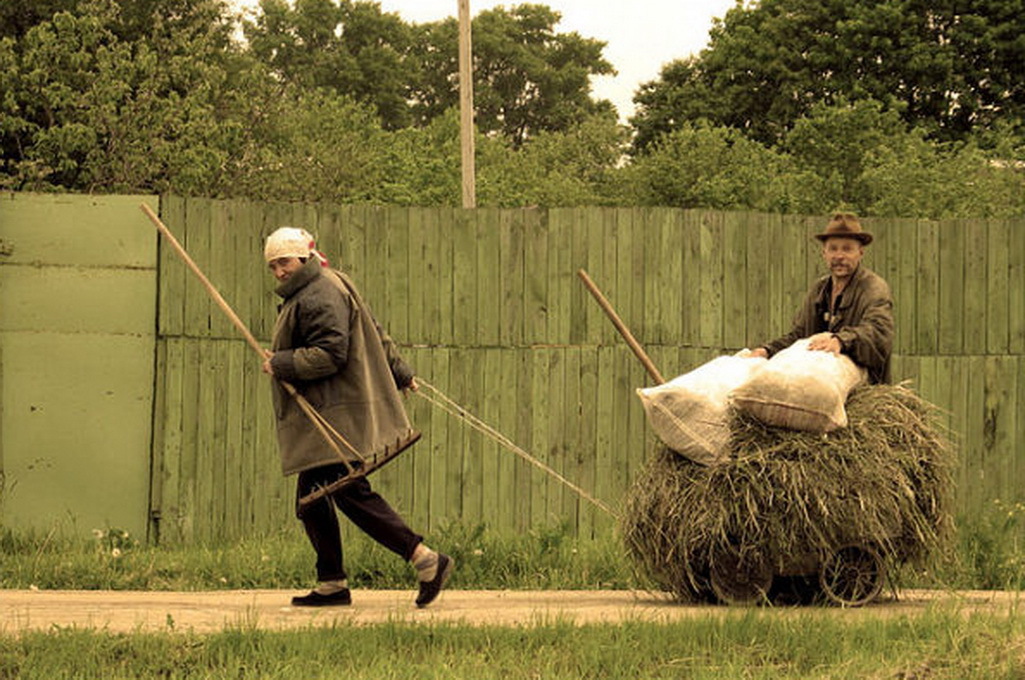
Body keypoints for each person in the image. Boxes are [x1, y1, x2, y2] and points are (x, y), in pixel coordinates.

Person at [261, 226, 452, 607]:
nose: (279, 271)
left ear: (302, 257)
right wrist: (401, 372)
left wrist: (280, 363)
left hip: (335, 413)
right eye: (272, 266)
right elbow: (374, 329)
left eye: (283, 262)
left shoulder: (318, 294)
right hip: (329, 413)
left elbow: (331, 354)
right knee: (312, 500)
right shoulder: (328, 283)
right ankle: (331, 582)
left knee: (348, 492)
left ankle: (425, 558)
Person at [750, 213, 894, 384]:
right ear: (824, 253)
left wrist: (841, 341)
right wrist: (767, 351)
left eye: (847, 249)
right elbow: (799, 335)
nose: (839, 256)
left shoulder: (874, 288)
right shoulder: (819, 289)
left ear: (860, 253)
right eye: (833, 248)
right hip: (817, 382)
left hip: (863, 388)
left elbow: (878, 334)